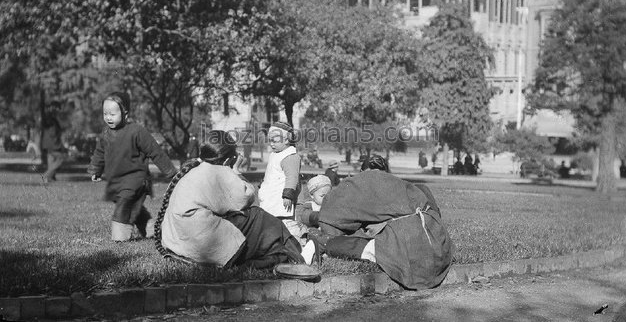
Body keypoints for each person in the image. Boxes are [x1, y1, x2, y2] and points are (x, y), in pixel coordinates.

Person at [155, 130, 309, 269]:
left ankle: (283, 255)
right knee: (257, 216)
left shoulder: (196, 168)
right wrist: (236, 171)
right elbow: (246, 198)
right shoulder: (218, 171)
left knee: (249, 222)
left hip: (179, 243)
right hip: (200, 244)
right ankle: (298, 253)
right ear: (227, 160)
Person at [308, 155, 454, 290]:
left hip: (408, 251)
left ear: (363, 172)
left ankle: (323, 244)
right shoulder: (411, 187)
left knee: (348, 244)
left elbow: (330, 217)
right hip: (439, 251)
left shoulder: (363, 183)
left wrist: (315, 222)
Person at [88, 92, 178, 242]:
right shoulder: (105, 134)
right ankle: (151, 227)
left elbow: (155, 151)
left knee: (124, 204)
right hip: (116, 180)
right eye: (105, 114)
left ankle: (120, 237)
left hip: (136, 179)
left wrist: (170, 171)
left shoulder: (137, 131)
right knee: (131, 205)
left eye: (112, 114)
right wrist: (95, 169)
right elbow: (99, 153)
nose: (108, 117)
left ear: (125, 114)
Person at [258, 122, 307, 245]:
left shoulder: (290, 156)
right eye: (270, 141)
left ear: (287, 140)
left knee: (286, 222)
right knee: (270, 219)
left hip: (283, 199)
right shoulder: (275, 155)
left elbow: (292, 177)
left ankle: (294, 243)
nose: (271, 144)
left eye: (274, 141)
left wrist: (288, 195)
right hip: (273, 195)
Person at [41, 101, 66, 183]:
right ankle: (46, 175)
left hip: (49, 142)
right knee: (60, 158)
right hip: (52, 142)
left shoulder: (51, 118)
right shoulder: (50, 118)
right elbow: (53, 130)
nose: (59, 110)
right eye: (58, 108)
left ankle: (50, 178)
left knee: (51, 160)